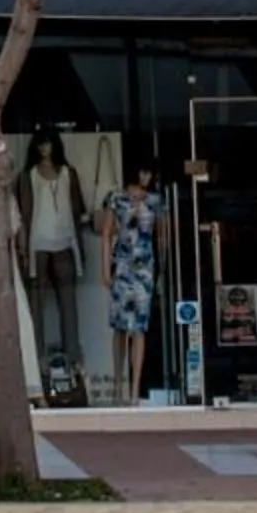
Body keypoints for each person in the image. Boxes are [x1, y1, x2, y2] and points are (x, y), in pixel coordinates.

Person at [11, 127, 88, 398]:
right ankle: (37, 360)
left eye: (49, 144)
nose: (46, 149)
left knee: (68, 302)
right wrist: (21, 245)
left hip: (65, 239)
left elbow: (78, 208)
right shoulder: (27, 176)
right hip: (37, 242)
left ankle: (74, 360)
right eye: (41, 145)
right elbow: (18, 213)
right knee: (36, 303)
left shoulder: (68, 173)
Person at [99, 167, 163, 404]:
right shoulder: (117, 198)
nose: (146, 177)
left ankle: (135, 389)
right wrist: (105, 269)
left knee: (139, 328)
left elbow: (162, 237)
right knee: (119, 326)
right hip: (124, 265)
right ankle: (118, 387)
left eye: (149, 173)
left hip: (145, 267)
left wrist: (162, 270)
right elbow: (106, 234)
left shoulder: (154, 201)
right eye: (143, 172)